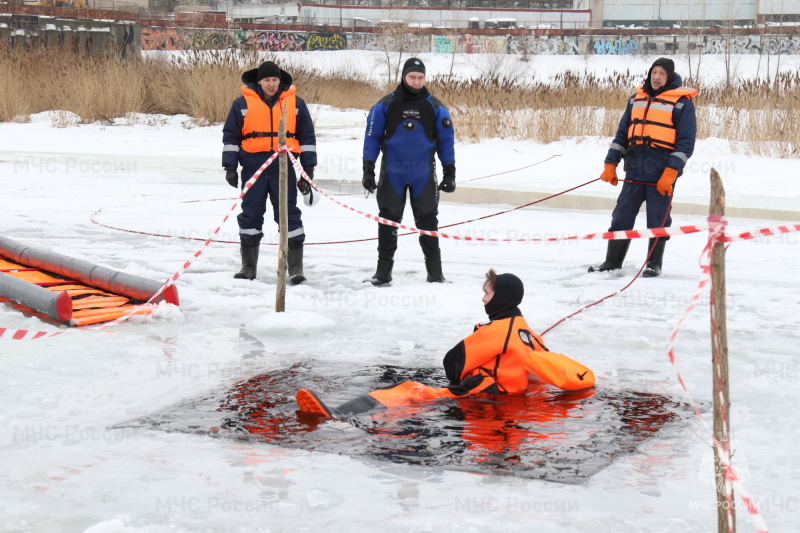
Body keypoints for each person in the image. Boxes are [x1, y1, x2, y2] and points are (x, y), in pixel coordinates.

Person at [296, 269, 595, 419]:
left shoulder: (498, 330)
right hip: (509, 398)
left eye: (487, 294)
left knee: (409, 390)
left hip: (484, 394)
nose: (483, 299)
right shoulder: (528, 332)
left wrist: (459, 383)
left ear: (500, 299)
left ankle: (338, 415)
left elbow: (452, 362)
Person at [590, 57, 698, 277]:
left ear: (669, 77)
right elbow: (622, 135)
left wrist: (672, 171)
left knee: (657, 220)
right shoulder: (635, 100)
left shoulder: (682, 103)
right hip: (635, 170)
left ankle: (653, 264)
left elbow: (686, 142)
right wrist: (610, 163)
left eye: (662, 73)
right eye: (654, 72)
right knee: (621, 216)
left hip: (661, 174)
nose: (657, 77)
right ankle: (612, 261)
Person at [362, 57, 456, 286]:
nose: (416, 81)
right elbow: (371, 138)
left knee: (428, 221)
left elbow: (446, 142)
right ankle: (383, 273)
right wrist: (368, 170)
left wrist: (450, 172)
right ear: (404, 76)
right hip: (393, 172)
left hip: (422, 173)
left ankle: (435, 274)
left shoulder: (435, 106)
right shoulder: (385, 104)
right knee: (388, 221)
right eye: (412, 77)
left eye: (420, 77)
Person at [222, 61, 317, 284]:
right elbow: (231, 136)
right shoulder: (241, 104)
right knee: (251, 214)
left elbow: (308, 137)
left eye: (274, 80)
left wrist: (308, 167)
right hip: (253, 168)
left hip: (284, 168)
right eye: (267, 80)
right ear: (259, 82)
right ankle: (248, 268)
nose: (271, 84)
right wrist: (229, 166)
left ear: (279, 81)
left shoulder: (296, 104)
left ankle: (295, 269)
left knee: (288, 215)